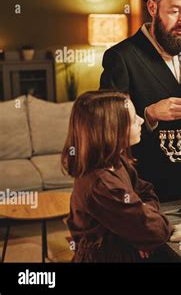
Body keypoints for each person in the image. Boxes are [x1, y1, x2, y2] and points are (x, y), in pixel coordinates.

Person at [99, 0, 181, 202]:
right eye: (175, 11)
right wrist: (149, 115)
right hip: (148, 185)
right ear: (152, 8)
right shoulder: (121, 57)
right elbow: (108, 127)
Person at [63, 91, 172, 262]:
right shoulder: (103, 185)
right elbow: (157, 232)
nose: (142, 120)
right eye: (134, 119)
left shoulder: (116, 161)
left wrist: (139, 228)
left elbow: (147, 192)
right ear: (112, 130)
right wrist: (141, 232)